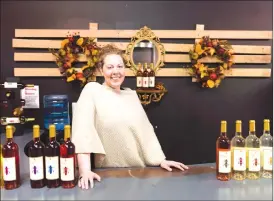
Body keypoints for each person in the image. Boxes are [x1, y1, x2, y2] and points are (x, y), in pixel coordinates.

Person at [71, 44, 189, 190]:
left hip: (140, 176)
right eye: (110, 67)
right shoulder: (93, 91)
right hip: (109, 177)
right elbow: (83, 131)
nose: (116, 72)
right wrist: (85, 171)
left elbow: (146, 133)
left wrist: (160, 160)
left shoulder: (131, 95)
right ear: (101, 70)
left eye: (120, 66)